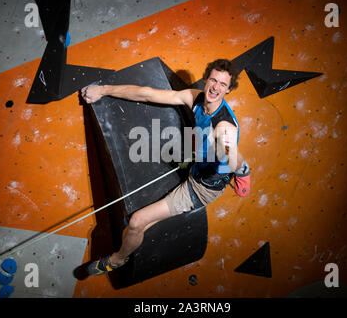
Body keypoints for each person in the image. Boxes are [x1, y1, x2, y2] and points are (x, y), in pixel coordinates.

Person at [81, 59, 249, 276]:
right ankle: (135, 236)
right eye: (214, 80)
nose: (216, 87)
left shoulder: (224, 127)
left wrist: (243, 172)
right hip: (197, 165)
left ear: (229, 89)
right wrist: (103, 90)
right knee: (138, 225)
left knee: (136, 222)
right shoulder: (195, 97)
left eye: (223, 85)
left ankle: (117, 260)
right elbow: (147, 94)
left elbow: (231, 153)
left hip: (200, 188)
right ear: (206, 79)